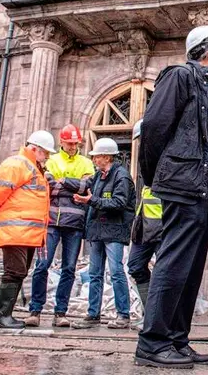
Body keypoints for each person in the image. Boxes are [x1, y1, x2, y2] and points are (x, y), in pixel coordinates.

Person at [135, 25, 208, 369]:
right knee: (173, 263)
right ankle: (152, 343)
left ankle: (176, 340)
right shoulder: (179, 76)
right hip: (183, 184)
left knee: (190, 268)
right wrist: (157, 178)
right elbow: (154, 128)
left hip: (204, 186)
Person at [0, 130, 56, 328]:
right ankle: (2, 316)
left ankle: (5, 315)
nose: (47, 157)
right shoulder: (17, 164)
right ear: (35, 149)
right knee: (14, 272)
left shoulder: (31, 167)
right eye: (45, 153)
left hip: (27, 232)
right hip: (16, 229)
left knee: (18, 272)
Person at [25, 124, 95, 328]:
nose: (73, 146)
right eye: (69, 143)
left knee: (69, 268)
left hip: (74, 224)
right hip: (52, 222)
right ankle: (35, 310)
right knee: (42, 266)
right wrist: (72, 184)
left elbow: (87, 186)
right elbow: (49, 185)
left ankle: (60, 313)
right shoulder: (52, 159)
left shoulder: (86, 163)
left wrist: (62, 181)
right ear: (62, 142)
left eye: (76, 143)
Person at [71, 138, 136, 330]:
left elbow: (119, 203)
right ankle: (93, 314)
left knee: (116, 272)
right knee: (95, 274)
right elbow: (83, 185)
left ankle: (123, 315)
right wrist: (61, 182)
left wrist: (92, 201)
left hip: (114, 231)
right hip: (98, 231)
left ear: (106, 157)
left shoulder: (121, 177)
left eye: (97, 156)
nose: (94, 159)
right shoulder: (99, 176)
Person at [127, 119, 164, 332]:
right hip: (144, 226)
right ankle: (149, 312)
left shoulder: (164, 156)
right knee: (135, 265)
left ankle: (156, 318)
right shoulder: (145, 159)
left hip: (162, 227)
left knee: (162, 272)